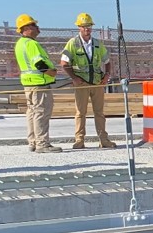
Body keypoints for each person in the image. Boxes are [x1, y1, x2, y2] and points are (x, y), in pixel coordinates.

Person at [61, 12, 115, 149]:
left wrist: (106, 75)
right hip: (82, 83)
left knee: (99, 112)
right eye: (84, 26)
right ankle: (79, 140)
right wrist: (74, 78)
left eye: (89, 26)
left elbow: (107, 61)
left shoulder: (97, 44)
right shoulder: (72, 44)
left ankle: (104, 139)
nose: (87, 29)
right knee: (80, 112)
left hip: (97, 82)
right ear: (79, 27)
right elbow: (64, 63)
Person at [13, 14, 60, 153]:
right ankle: (42, 143)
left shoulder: (20, 44)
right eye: (34, 25)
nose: (37, 28)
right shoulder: (31, 43)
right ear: (26, 28)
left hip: (28, 84)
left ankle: (33, 142)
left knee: (32, 113)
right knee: (41, 113)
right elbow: (39, 63)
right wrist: (51, 72)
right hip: (39, 83)